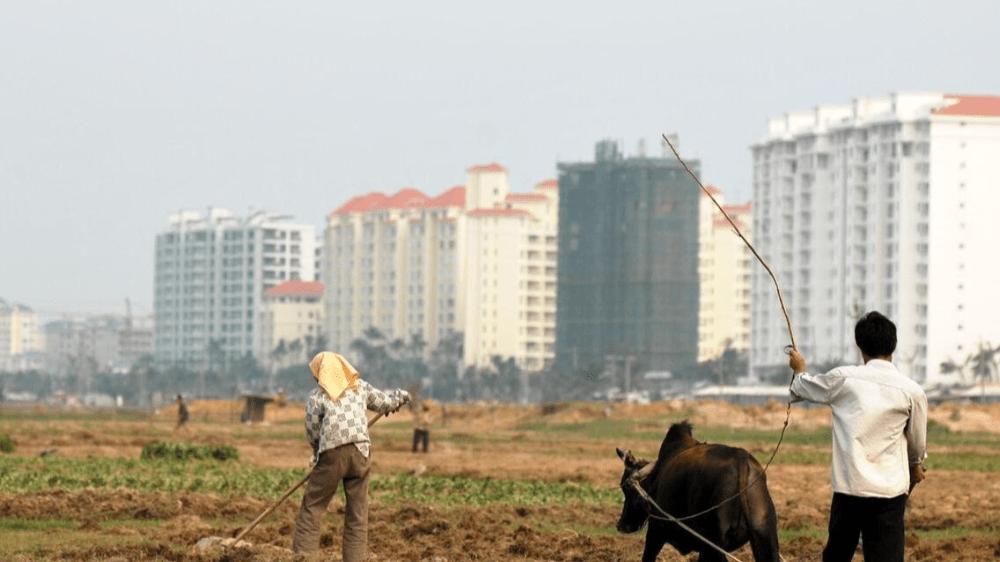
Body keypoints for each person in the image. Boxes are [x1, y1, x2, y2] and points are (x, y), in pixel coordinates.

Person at [788, 311, 927, 562]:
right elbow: (917, 445)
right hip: (889, 494)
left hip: (849, 490)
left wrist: (799, 369)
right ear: (893, 346)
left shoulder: (843, 379)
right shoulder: (912, 391)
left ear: (860, 346)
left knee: (837, 555)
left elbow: (801, 387)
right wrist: (915, 465)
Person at [292, 351, 410, 561]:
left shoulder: (317, 397)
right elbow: (386, 402)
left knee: (312, 507)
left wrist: (316, 451)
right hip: (361, 453)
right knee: (357, 513)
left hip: (332, 454)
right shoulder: (360, 387)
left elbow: (312, 430)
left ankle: (304, 557)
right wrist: (400, 398)